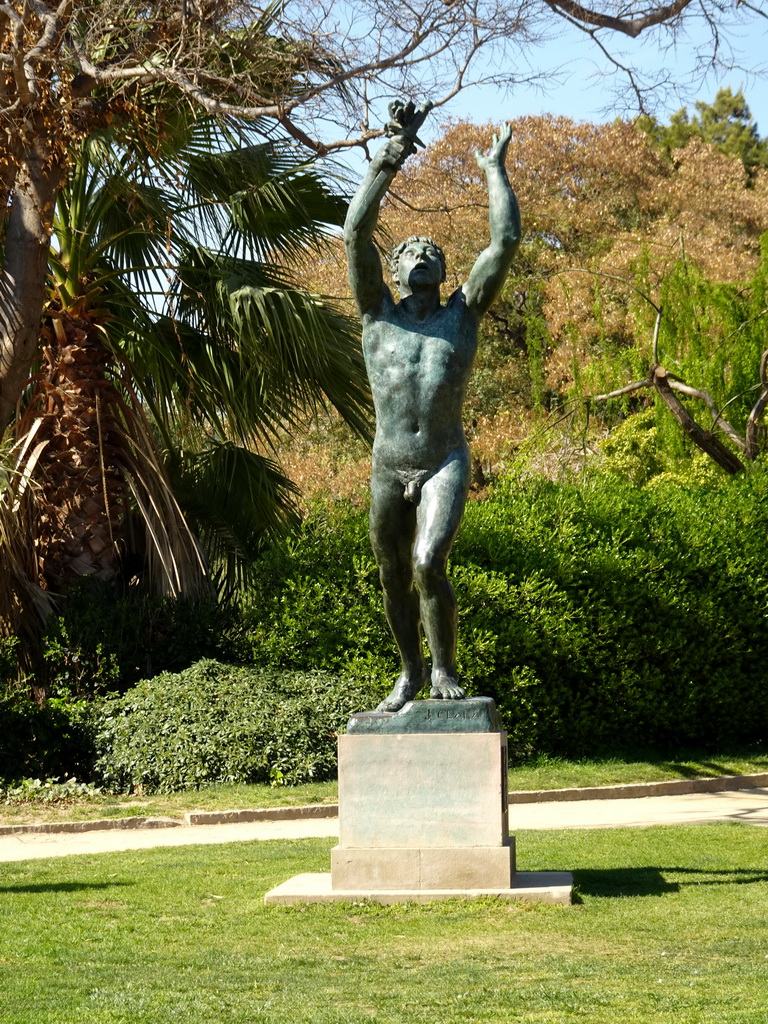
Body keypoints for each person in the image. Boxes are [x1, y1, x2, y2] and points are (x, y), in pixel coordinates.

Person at [344, 111, 521, 713]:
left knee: (426, 562)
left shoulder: (461, 316)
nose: (420, 255)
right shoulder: (377, 315)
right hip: (389, 463)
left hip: (443, 457)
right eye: (409, 252)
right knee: (392, 573)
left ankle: (443, 667)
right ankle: (410, 672)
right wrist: (391, 155)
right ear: (392, 271)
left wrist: (494, 170)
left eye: (430, 252)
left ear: (444, 272)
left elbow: (505, 244)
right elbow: (353, 233)